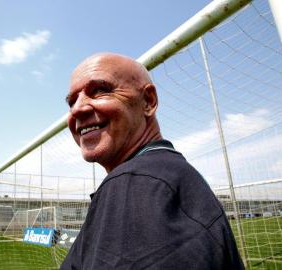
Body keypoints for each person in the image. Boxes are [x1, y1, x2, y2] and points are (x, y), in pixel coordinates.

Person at [60, 53, 244, 269]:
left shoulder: (136, 183)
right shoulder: (164, 174)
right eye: (72, 101)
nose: (77, 109)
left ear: (148, 101)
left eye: (100, 90)